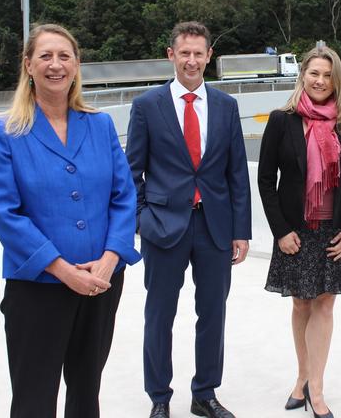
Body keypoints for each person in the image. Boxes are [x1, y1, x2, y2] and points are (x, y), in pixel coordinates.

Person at [0, 24, 141, 418]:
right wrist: (62, 270)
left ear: (76, 64)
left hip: (101, 282)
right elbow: (7, 214)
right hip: (39, 287)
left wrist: (110, 258)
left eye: (64, 56)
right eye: (46, 56)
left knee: (86, 393)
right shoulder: (4, 132)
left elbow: (124, 197)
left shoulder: (100, 125)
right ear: (28, 66)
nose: (56, 65)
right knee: (35, 398)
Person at [125, 21, 251, 418]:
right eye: (185, 53)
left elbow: (237, 174)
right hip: (164, 227)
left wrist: (241, 231)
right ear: (171, 56)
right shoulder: (147, 106)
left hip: (214, 227)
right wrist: (142, 219)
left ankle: (205, 394)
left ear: (209, 56)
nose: (192, 60)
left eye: (199, 53)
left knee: (213, 313)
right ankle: (159, 398)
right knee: (159, 315)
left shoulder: (227, 107)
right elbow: (132, 173)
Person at [257, 46, 341, 418]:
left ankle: (316, 390)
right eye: (314, 73)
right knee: (301, 302)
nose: (320, 81)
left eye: (327, 75)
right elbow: (265, 180)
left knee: (324, 303)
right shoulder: (282, 120)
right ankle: (301, 379)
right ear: (302, 75)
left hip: (334, 232)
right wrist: (281, 230)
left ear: (336, 80)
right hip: (295, 231)